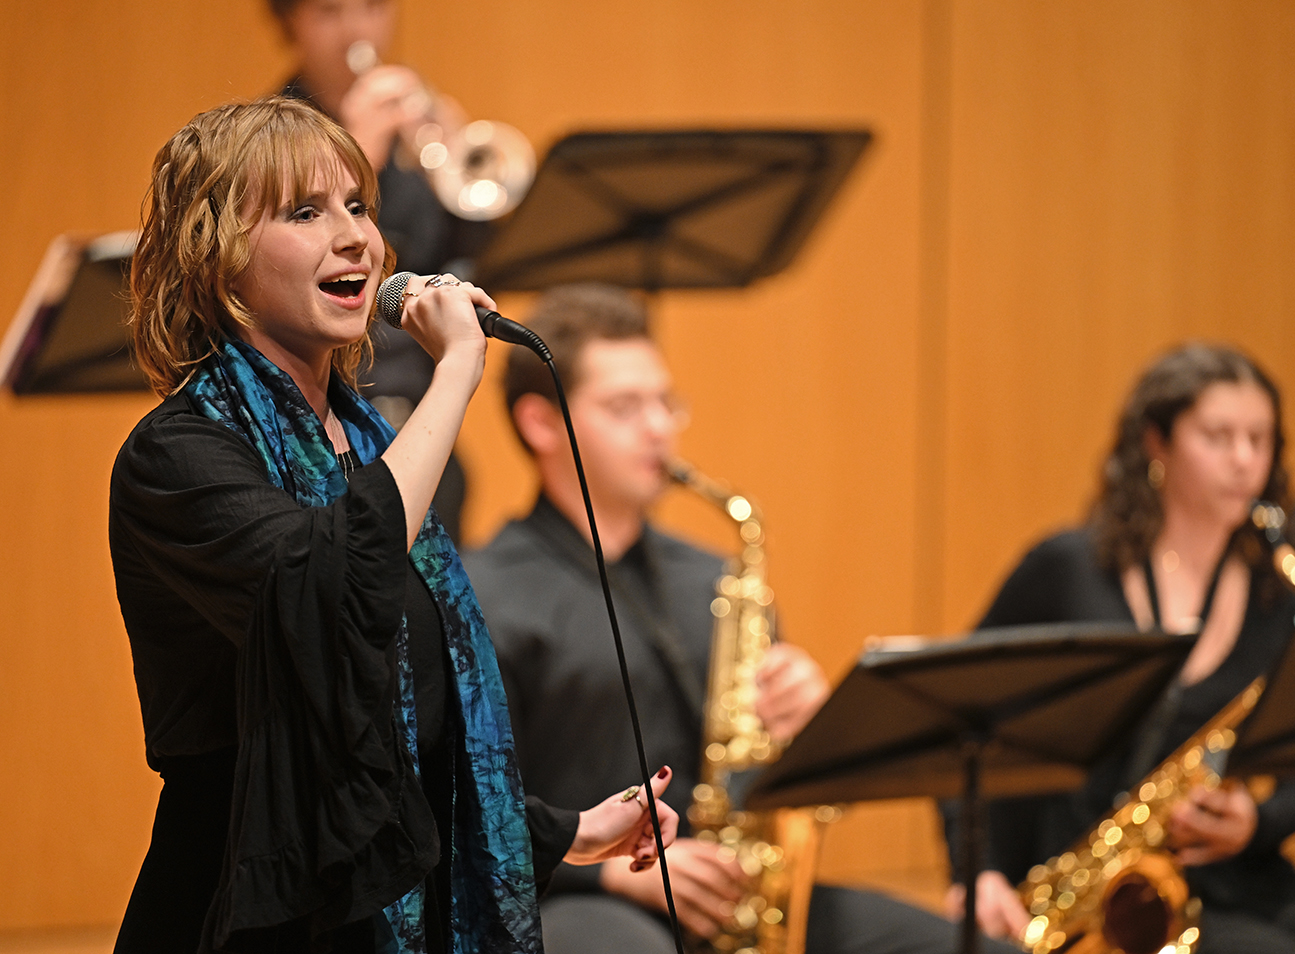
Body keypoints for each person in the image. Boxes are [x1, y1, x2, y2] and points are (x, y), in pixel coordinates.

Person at [109, 98, 676, 954]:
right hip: (252, 918)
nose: (357, 240)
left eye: (358, 207)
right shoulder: (178, 458)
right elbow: (337, 597)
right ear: (219, 263)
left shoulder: (367, 444)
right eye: (305, 212)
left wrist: (565, 829)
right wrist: (455, 377)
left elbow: (399, 736)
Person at [461, 283, 1018, 954]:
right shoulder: (484, 592)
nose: (660, 427)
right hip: (580, 901)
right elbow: (464, 816)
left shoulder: (715, 578)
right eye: (623, 407)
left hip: (738, 897)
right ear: (540, 423)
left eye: (665, 402)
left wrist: (809, 733)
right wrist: (611, 876)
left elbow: (771, 794)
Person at [943, 344, 1295, 954]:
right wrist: (976, 873)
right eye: (1218, 437)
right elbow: (962, 722)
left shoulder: (1280, 597)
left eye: (1259, 439)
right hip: (1084, 896)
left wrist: (1255, 822)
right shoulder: (1065, 570)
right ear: (1156, 442)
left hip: (1235, 882)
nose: (1245, 461)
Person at [267, 0, 490, 538]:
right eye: (329, 11)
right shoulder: (267, 140)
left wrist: (461, 177)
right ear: (287, 22)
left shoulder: (416, 135)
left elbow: (470, 265)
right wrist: (357, 155)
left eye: (372, 7)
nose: (356, 29)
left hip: (417, 414)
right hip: (315, 422)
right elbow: (286, 271)